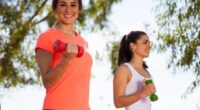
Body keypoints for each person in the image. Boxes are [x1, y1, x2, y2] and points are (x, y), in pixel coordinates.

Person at [35, 0, 93, 110]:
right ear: (55, 8)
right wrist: (66, 59)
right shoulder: (46, 38)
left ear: (79, 9)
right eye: (63, 5)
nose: (68, 10)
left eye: (73, 5)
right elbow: (47, 82)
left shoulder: (83, 42)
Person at [113, 31, 156, 110]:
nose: (149, 46)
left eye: (149, 43)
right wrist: (142, 93)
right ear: (133, 46)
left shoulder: (146, 72)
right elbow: (117, 102)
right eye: (145, 42)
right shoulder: (124, 70)